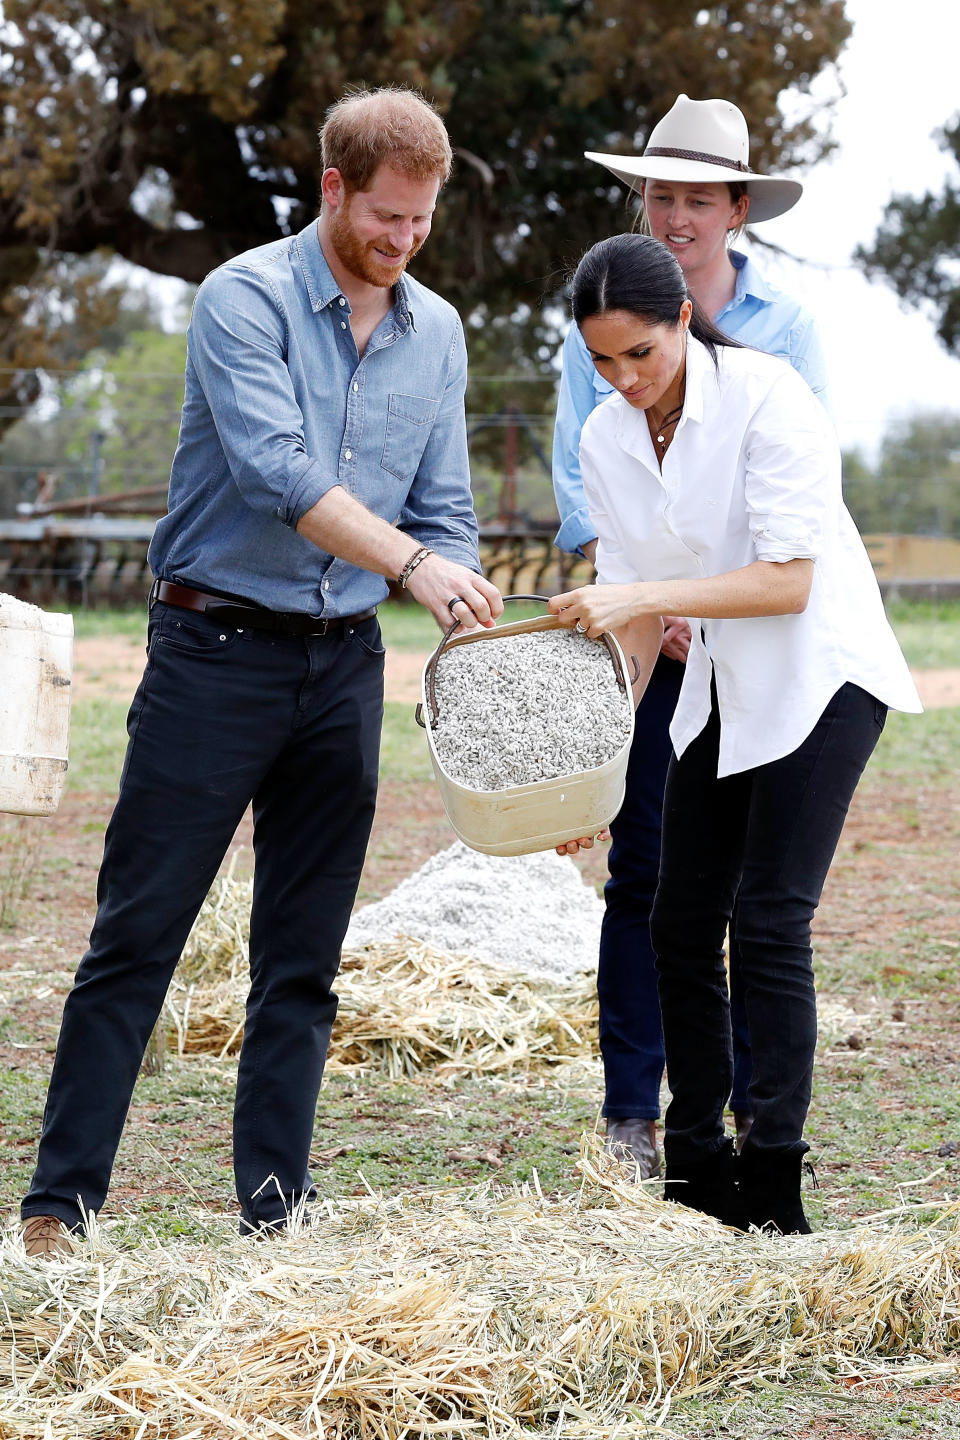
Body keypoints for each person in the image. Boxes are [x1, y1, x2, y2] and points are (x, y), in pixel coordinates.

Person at [20, 87, 503, 1258]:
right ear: (333, 189)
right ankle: (58, 1208)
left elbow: (444, 509)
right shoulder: (241, 297)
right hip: (212, 653)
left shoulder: (436, 333)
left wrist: (461, 595)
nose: (401, 243)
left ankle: (274, 1210)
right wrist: (412, 565)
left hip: (343, 666)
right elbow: (278, 470)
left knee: (306, 955)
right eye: (385, 217)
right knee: (139, 936)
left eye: (421, 224)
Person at [548, 232, 921, 1232]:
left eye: (642, 354)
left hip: (821, 675)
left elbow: (788, 581)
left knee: (766, 922)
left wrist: (642, 593)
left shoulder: (770, 395)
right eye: (602, 362)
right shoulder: (604, 440)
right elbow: (631, 624)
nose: (625, 380)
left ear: (682, 322)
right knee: (676, 921)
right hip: (721, 682)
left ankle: (777, 1189)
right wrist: (586, 775)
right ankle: (696, 1172)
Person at [552, 95, 830, 1180]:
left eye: (695, 197)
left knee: (761, 903)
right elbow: (602, 482)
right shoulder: (602, 316)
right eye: (658, 193)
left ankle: (764, 1131)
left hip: (760, 638)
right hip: (648, 639)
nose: (674, 211)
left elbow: (795, 520)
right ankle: (639, 1111)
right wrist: (647, 610)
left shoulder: (784, 338)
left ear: (734, 209)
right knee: (651, 882)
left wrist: (688, 597)